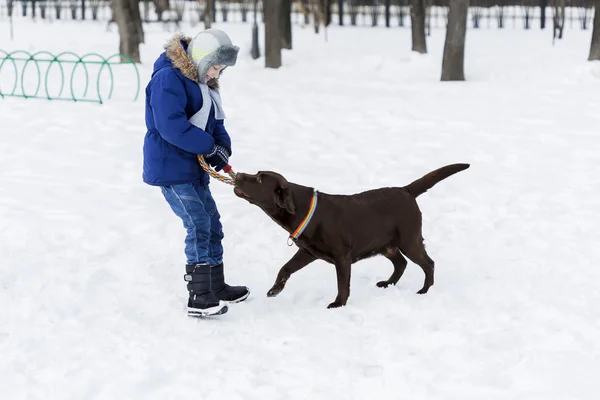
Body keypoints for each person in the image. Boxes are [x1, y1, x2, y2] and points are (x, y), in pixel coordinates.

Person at [142, 28, 249, 317]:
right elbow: (171, 126)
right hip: (172, 167)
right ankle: (199, 296)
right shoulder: (168, 79)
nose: (216, 74)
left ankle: (215, 285)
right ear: (201, 60)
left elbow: (214, 120)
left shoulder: (203, 81)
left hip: (192, 167)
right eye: (215, 67)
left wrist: (221, 146)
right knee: (199, 224)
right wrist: (207, 146)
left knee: (212, 222)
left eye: (221, 70)